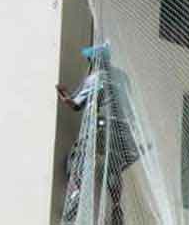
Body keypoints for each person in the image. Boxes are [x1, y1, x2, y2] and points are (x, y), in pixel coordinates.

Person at [57, 44, 139, 225]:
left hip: (102, 128)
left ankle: (75, 195)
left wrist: (66, 98)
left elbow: (77, 104)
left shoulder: (95, 78)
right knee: (114, 168)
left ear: (95, 61)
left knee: (75, 158)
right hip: (123, 132)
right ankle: (117, 211)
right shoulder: (123, 78)